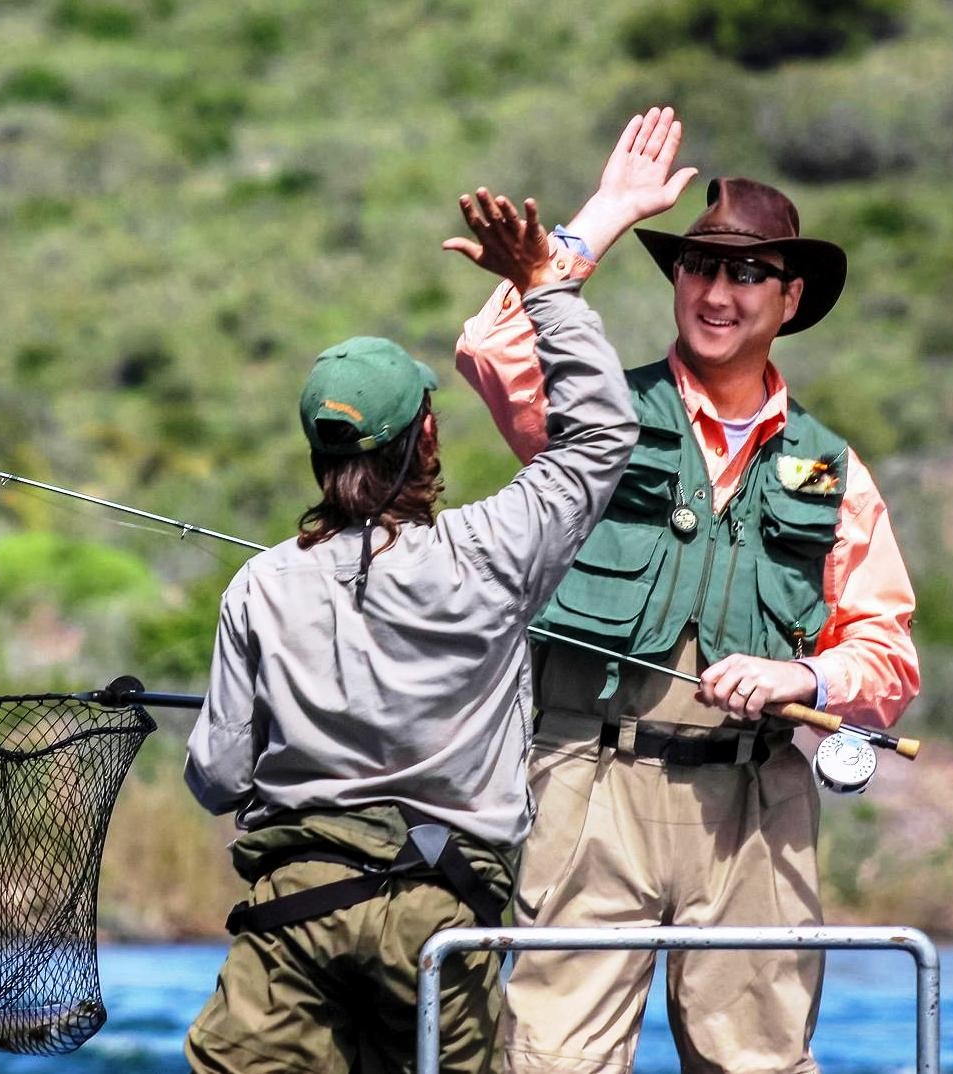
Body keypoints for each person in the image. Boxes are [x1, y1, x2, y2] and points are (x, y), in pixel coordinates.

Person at [453, 107, 921, 1073]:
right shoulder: (594, 414)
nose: (716, 292)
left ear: (790, 298)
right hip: (586, 788)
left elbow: (886, 659)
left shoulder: (834, 470)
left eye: (747, 273)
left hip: (756, 808)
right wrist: (608, 211)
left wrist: (802, 679)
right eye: (698, 268)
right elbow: (491, 347)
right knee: (548, 1062)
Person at [182, 191, 638, 1074]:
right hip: (443, 917)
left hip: (293, 918)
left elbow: (217, 777)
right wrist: (543, 286)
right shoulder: (494, 550)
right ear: (425, 434)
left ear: (319, 459)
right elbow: (599, 437)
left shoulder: (258, 585)